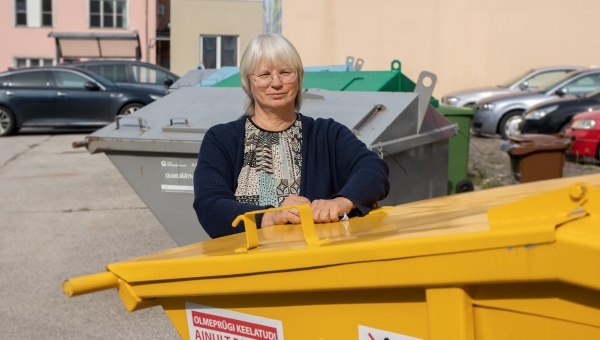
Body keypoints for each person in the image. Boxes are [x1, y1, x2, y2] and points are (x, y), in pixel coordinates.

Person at [193, 33, 390, 239]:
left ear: (299, 78)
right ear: (248, 82)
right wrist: (270, 217)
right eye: (264, 74)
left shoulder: (327, 135)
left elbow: (373, 169)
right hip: (245, 263)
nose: (276, 83)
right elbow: (210, 205)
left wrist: (342, 201)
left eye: (285, 72)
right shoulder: (221, 140)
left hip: (311, 264)